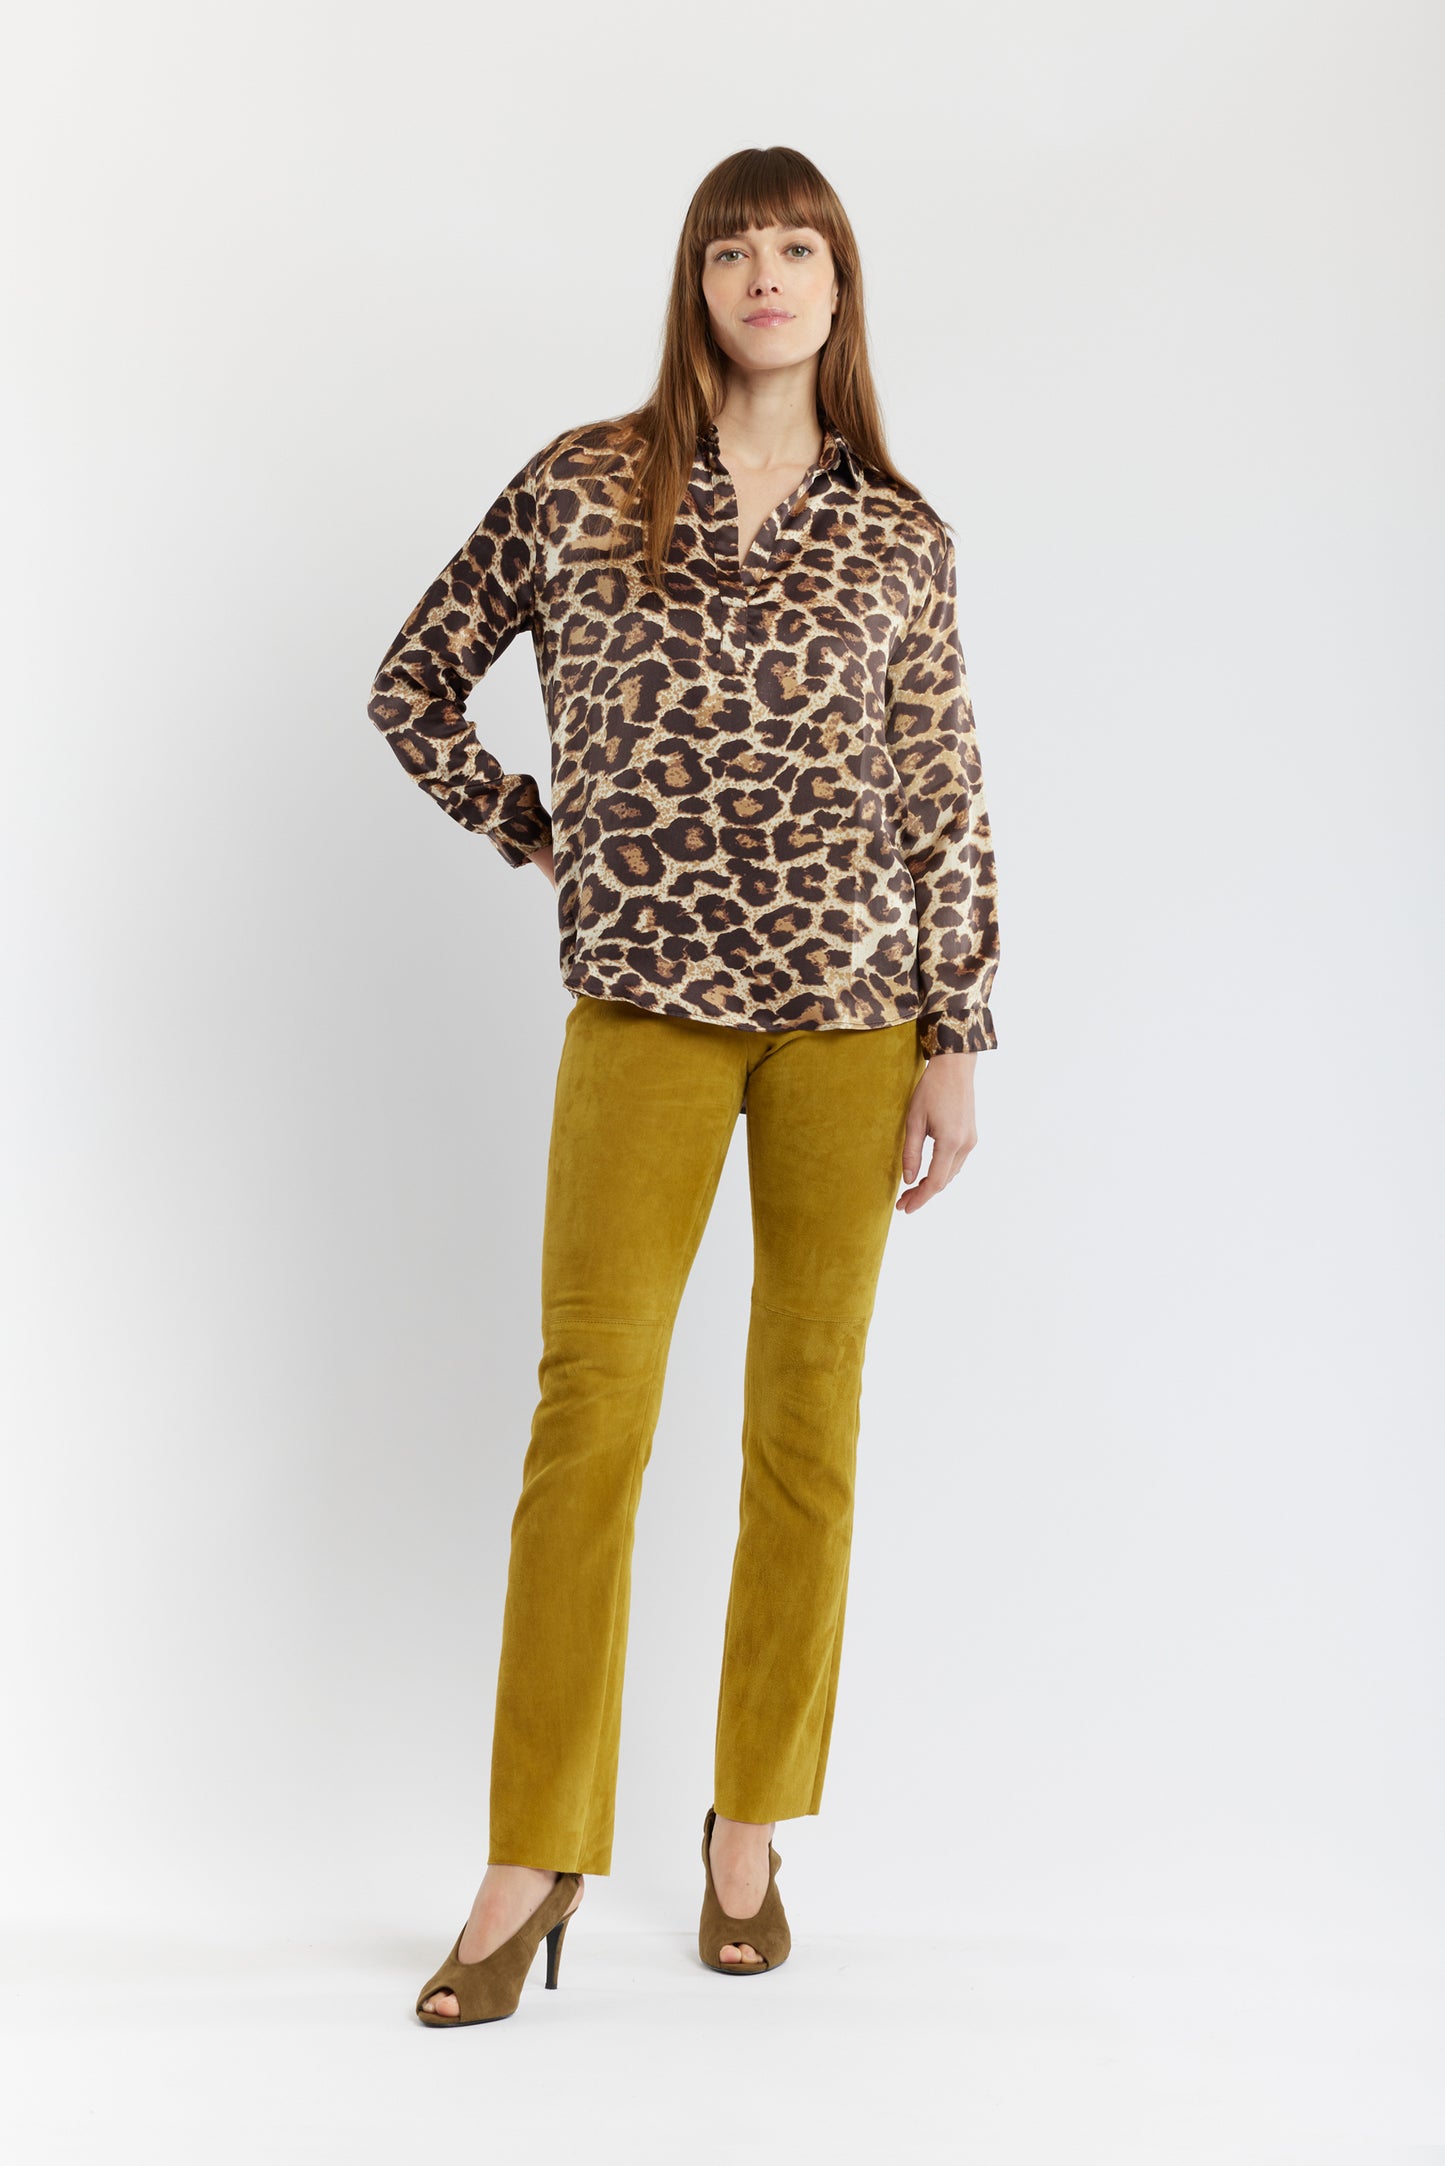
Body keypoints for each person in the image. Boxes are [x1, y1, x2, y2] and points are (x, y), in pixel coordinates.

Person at [366, 143, 1001, 2027]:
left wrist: (955, 1033)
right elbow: (412, 681)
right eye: (733, 249)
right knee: (590, 1422)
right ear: (696, 282)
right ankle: (530, 1855)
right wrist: (533, 828)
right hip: (639, 1005)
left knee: (805, 1426)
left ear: (839, 284)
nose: (765, 275)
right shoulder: (583, 480)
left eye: (796, 246)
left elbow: (944, 791)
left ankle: (750, 1831)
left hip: (852, 1015)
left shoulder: (898, 534)